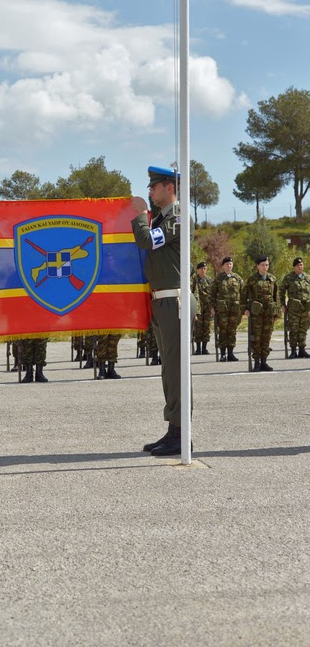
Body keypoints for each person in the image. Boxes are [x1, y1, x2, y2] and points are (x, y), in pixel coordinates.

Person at [132, 166, 197, 457]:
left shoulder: (179, 218)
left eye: (154, 186)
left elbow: (147, 240)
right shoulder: (162, 218)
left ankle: (182, 435)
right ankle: (174, 430)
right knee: (169, 370)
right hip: (163, 301)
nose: (150, 191)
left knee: (177, 368)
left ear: (169, 187)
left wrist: (138, 215)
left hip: (175, 300)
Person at [242, 255, 279, 372]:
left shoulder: (272, 279)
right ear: (258, 266)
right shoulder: (252, 280)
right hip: (256, 314)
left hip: (269, 314)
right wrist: (245, 309)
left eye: (267, 265)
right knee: (256, 338)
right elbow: (244, 295)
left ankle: (264, 361)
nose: (265, 267)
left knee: (266, 338)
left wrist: (276, 313)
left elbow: (276, 297)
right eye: (263, 265)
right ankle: (256, 362)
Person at [210, 257, 243, 362]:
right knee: (223, 331)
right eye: (227, 264)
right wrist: (212, 307)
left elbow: (244, 293)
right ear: (223, 266)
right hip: (222, 310)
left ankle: (231, 353)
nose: (229, 266)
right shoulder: (218, 279)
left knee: (232, 331)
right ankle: (223, 354)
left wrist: (244, 307)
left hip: (234, 309)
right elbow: (212, 294)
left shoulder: (237, 278)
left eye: (230, 264)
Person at [279, 257, 310, 359]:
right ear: (294, 267)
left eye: (301, 265)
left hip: (306, 309)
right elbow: (281, 291)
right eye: (298, 265)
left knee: (303, 329)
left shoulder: (307, 278)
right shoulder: (289, 278)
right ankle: (293, 350)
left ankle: (302, 350)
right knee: (294, 329)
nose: (300, 267)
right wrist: (282, 304)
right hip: (294, 309)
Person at [193, 262, 212, 355]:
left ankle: (204, 348)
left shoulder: (209, 280)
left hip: (207, 308)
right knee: (198, 328)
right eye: (201, 269)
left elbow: (212, 294)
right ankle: (198, 348)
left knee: (206, 328)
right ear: (198, 270)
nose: (203, 270)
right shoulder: (194, 280)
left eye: (204, 268)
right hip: (198, 307)